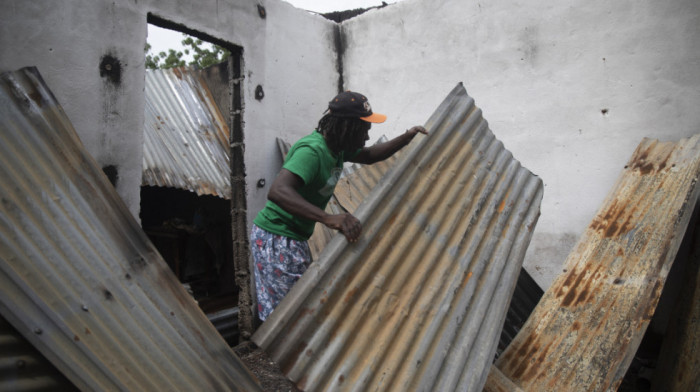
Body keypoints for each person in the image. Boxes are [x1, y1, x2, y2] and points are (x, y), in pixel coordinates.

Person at [250, 90, 428, 321]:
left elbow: (371, 154)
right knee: (285, 317)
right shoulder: (312, 151)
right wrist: (329, 218)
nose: (367, 135)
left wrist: (408, 136)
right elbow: (279, 191)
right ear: (348, 127)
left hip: (294, 236)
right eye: (364, 128)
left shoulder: (338, 148)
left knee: (295, 310)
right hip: (276, 237)